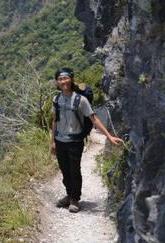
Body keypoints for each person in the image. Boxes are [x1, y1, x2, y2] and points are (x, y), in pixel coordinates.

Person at [48, 67, 123, 213]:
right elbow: (54, 121)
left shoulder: (80, 100)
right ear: (57, 82)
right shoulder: (56, 99)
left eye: (65, 78)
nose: (63, 81)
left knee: (74, 170)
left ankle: (75, 198)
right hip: (60, 141)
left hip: (75, 142)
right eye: (60, 79)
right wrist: (52, 142)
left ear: (71, 79)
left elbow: (94, 118)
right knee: (64, 171)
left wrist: (109, 136)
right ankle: (69, 195)